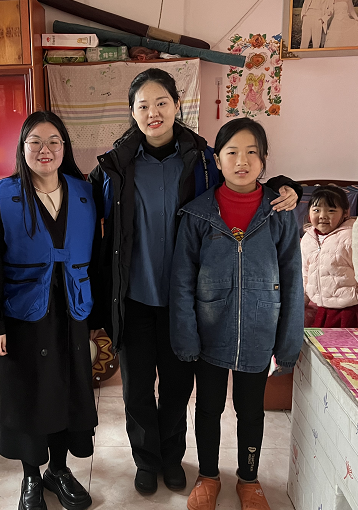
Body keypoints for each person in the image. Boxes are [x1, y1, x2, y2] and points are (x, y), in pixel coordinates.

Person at [88, 68, 302, 495]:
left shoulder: (203, 160)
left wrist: (286, 185)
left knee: (177, 388)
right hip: (133, 297)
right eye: (143, 105)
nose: (153, 112)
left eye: (161, 103)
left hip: (186, 302)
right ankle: (146, 460)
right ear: (132, 111)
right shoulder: (115, 167)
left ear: (176, 105)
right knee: (136, 391)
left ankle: (171, 458)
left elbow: (244, 180)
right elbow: (86, 215)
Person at [169, 117, 304, 510]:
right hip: (210, 334)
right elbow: (182, 282)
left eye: (251, 153)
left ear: (264, 159)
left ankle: (249, 478)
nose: (242, 161)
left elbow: (292, 281)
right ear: (218, 159)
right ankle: (208, 475)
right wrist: (186, 337)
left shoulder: (279, 213)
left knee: (251, 411)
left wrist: (288, 344)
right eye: (232, 152)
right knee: (208, 408)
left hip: (260, 333)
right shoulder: (198, 214)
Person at [0, 111, 98, 510]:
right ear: (22, 148)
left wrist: (98, 318)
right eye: (35, 142)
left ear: (65, 147)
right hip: (22, 315)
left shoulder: (84, 193)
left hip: (72, 311)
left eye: (53, 142)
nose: (45, 150)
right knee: (29, 394)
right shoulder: (4, 196)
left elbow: (98, 256)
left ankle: (58, 470)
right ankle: (31, 475)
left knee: (66, 390)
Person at [301, 185, 358, 327]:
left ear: (345, 212)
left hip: (350, 310)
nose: (322, 216)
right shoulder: (307, 239)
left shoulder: (351, 236)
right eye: (316, 210)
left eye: (331, 210)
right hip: (322, 309)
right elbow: (304, 275)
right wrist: (300, 305)